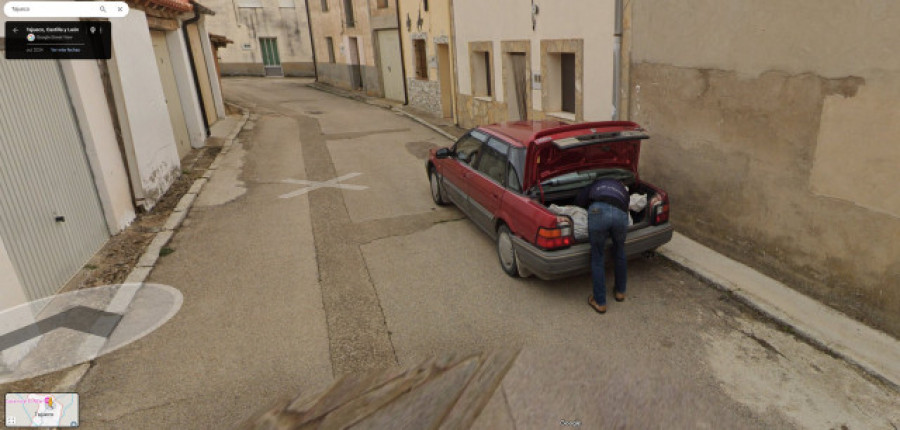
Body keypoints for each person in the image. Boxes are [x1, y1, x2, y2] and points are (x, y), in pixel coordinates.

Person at [575, 178, 629, 314]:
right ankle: (620, 292)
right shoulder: (622, 189)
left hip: (598, 211)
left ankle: (600, 302)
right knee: (620, 250)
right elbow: (626, 205)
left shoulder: (594, 184)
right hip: (620, 214)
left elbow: (579, 201)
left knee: (598, 256)